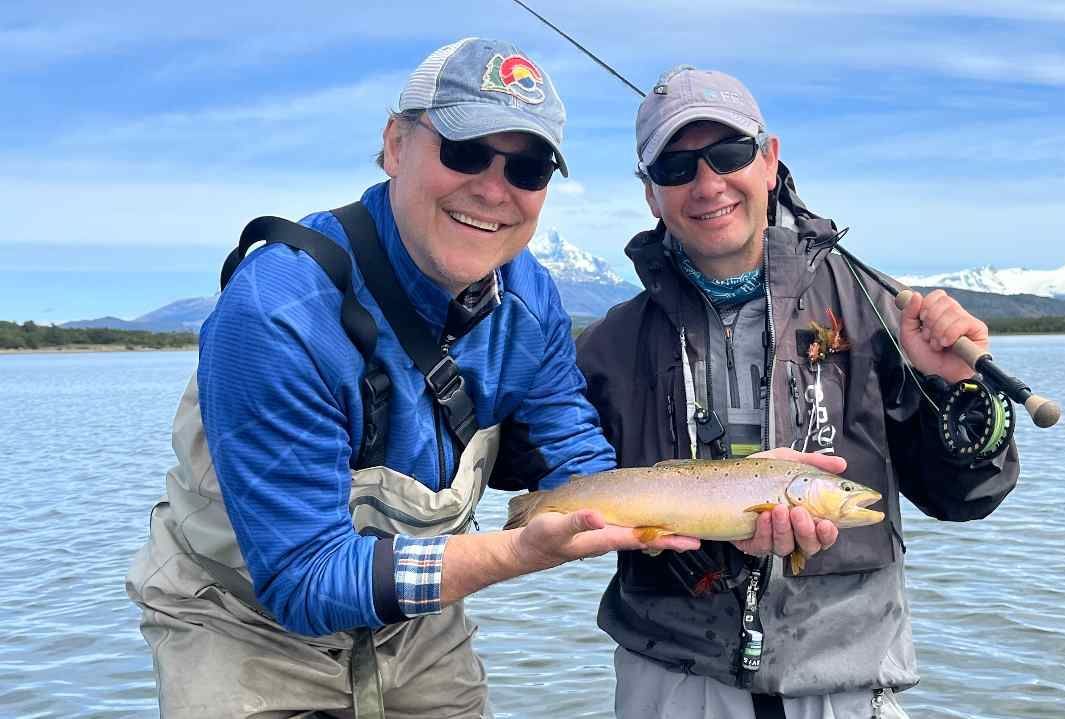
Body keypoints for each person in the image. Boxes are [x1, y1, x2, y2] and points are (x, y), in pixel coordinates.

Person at [125, 38, 697, 719]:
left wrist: (745, 504)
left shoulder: (531, 300)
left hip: (419, 621)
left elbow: (576, 459)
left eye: (528, 167)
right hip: (241, 623)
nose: (493, 188)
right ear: (395, 144)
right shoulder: (277, 311)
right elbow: (304, 579)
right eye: (463, 151)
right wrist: (516, 551)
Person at [575, 66, 1021, 719]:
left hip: (847, 680)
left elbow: (967, 496)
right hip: (670, 680)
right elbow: (524, 468)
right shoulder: (607, 345)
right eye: (675, 167)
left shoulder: (877, 313)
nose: (707, 184)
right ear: (650, 195)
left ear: (768, 159)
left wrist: (958, 388)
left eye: (728, 153)